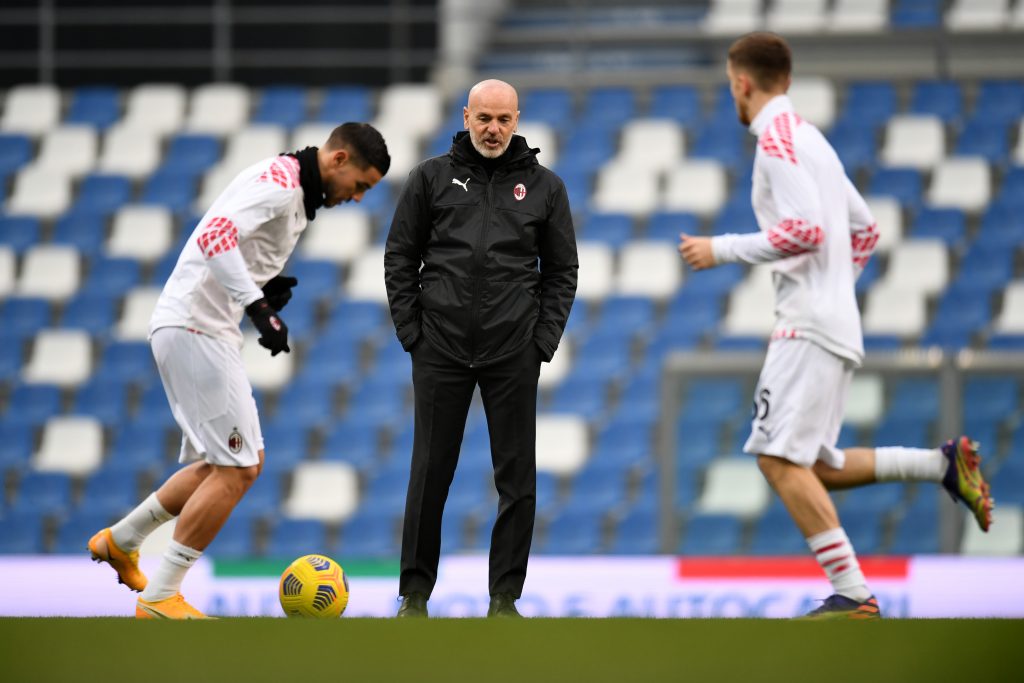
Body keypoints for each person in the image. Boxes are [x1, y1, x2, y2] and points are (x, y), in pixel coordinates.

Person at [678, 32, 993, 620]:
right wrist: (832, 291)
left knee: (775, 460)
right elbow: (865, 229)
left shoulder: (774, 141)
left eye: (731, 84)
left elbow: (806, 232)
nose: (732, 93)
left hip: (807, 324)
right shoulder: (813, 141)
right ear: (787, 80)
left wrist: (719, 249)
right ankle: (941, 464)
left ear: (742, 82)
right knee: (816, 465)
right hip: (836, 321)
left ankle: (853, 593)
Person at [88, 123, 390, 619]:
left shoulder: (294, 191)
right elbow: (214, 235)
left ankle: (122, 540)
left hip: (197, 325)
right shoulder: (281, 183)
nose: (357, 198)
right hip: (196, 327)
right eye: (360, 184)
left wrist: (262, 286)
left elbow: (232, 245)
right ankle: (161, 597)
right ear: (338, 160)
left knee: (216, 466)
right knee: (242, 467)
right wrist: (256, 305)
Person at [384, 79, 578, 618]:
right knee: (429, 473)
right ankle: (415, 595)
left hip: (512, 349)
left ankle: (504, 599)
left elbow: (563, 272)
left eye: (504, 120)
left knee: (517, 478)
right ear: (466, 115)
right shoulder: (429, 178)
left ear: (518, 120)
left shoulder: (546, 188)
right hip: (439, 348)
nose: (493, 130)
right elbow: (400, 257)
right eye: (484, 118)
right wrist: (412, 334)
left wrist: (541, 341)